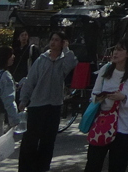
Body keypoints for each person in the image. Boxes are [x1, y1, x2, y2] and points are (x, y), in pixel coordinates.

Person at [18, 30, 78, 172]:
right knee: (30, 141)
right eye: (52, 39)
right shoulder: (41, 59)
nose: (53, 42)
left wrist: (66, 48)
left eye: (57, 40)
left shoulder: (64, 59)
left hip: (54, 106)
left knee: (48, 141)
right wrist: (23, 99)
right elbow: (30, 80)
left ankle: (42, 168)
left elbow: (72, 63)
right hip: (37, 105)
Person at [85, 38, 128, 172]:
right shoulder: (106, 69)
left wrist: (123, 98)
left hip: (122, 128)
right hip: (102, 125)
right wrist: (99, 97)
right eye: (115, 49)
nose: (115, 53)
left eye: (120, 49)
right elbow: (94, 92)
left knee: (117, 165)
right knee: (93, 163)